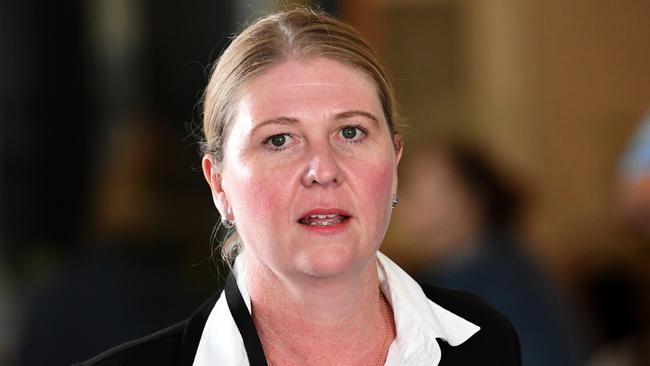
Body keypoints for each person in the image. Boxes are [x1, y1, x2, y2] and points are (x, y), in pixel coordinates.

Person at [75, 8, 521, 366]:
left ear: (395, 161)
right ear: (219, 184)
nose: (323, 169)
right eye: (279, 140)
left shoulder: (485, 344)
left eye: (350, 132)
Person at [399, 144, 582, 366]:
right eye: (410, 192)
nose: (408, 207)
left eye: (428, 194)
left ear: (473, 199)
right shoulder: (439, 276)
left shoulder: (509, 284)